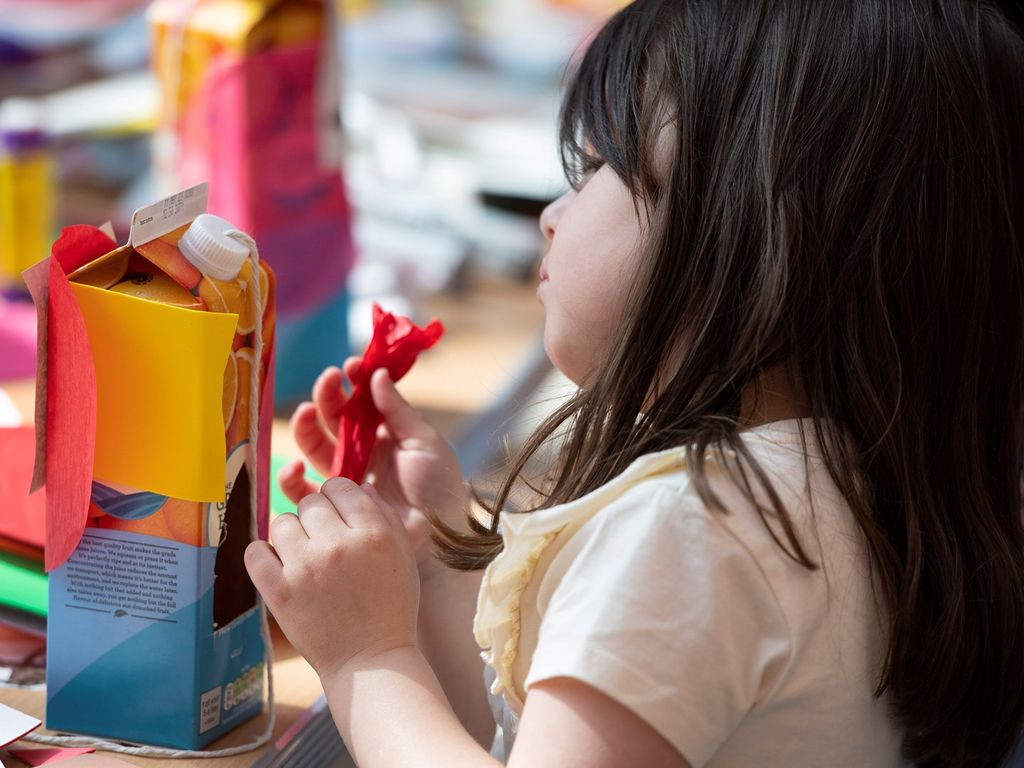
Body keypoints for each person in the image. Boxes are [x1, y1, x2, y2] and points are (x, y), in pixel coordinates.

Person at [244, 1, 1024, 765]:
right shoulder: (852, 487)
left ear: (750, 236)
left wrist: (366, 659)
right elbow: (537, 740)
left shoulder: (698, 531)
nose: (551, 216)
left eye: (591, 171)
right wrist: (430, 557)